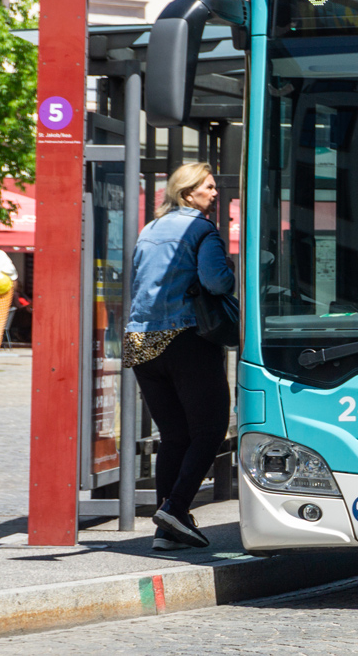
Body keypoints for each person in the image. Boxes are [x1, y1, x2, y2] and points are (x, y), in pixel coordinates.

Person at [124, 162, 235, 551]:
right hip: (184, 337)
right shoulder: (202, 230)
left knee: (173, 435)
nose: (215, 192)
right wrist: (236, 272)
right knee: (210, 430)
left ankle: (167, 528)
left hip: (140, 342)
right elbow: (215, 281)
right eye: (208, 186)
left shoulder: (149, 230)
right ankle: (175, 508)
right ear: (188, 194)